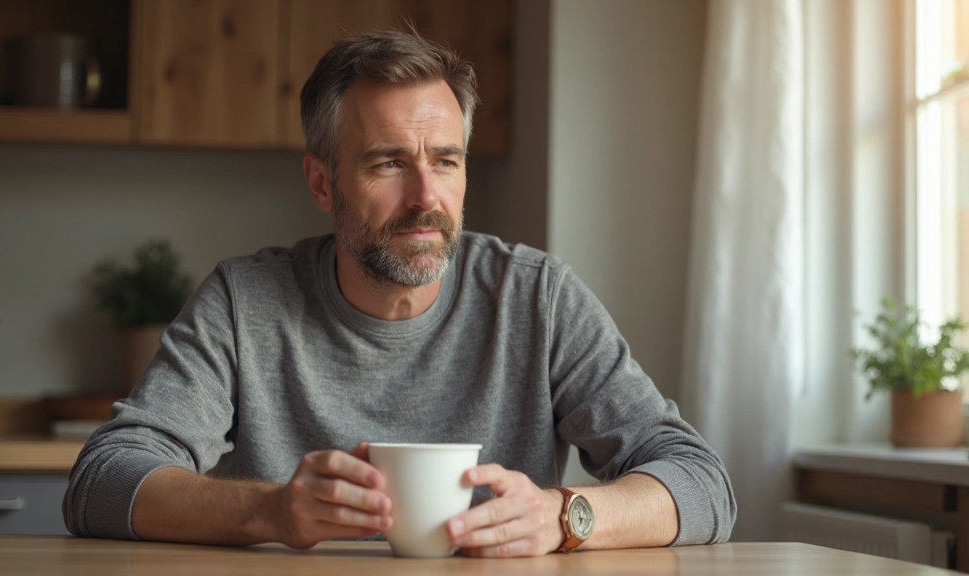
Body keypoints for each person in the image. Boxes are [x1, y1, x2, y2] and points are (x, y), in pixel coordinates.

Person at [63, 29, 736, 557]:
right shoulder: (246, 303)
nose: (426, 198)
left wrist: (567, 516)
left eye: (445, 161)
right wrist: (268, 511)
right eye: (389, 163)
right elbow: (101, 479)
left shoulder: (537, 299)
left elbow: (703, 482)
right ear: (323, 183)